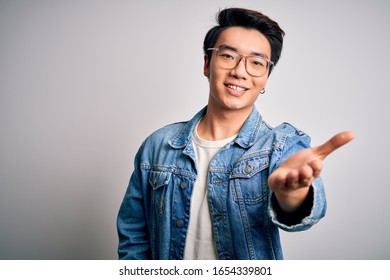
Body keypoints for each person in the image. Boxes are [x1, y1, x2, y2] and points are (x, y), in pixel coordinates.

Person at [116, 7, 354, 260]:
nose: (240, 72)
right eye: (228, 56)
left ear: (265, 78)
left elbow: (305, 215)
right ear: (207, 64)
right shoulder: (158, 145)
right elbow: (134, 237)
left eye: (256, 63)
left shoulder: (281, 146)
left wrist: (292, 195)